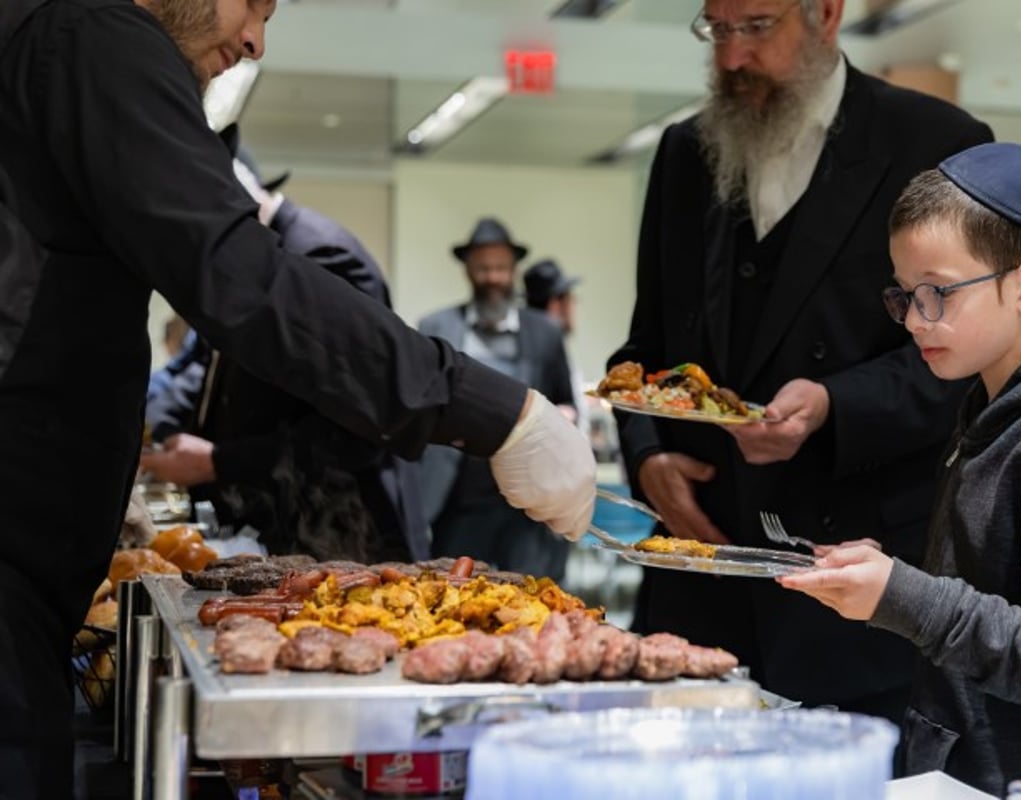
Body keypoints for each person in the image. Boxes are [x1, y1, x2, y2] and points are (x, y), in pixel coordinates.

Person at [0, 2, 593, 796]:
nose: (255, 39)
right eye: (256, 2)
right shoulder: (91, 29)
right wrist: (496, 414)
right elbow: (238, 278)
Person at [606, 0, 992, 721]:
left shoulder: (933, 143)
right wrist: (649, 453)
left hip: (853, 598)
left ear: (826, 13)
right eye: (717, 30)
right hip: (702, 589)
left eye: (756, 27)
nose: (730, 59)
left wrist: (834, 403)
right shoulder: (683, 154)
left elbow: (967, 359)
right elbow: (645, 352)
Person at [780, 143, 1021, 794]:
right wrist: (888, 572)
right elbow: (994, 578)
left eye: (937, 293)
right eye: (904, 296)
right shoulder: (994, 407)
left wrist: (902, 595)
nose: (914, 321)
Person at [142, 126, 429, 563]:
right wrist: (168, 429)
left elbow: (358, 428)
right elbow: (206, 362)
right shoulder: (251, 256)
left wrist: (220, 460)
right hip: (281, 523)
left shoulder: (324, 258)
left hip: (348, 533)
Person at [418, 219, 577, 580]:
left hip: (526, 503)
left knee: (529, 597)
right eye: (483, 268)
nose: (493, 277)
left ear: (513, 270)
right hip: (457, 497)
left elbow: (566, 401)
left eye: (500, 268)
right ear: (468, 271)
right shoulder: (436, 327)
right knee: (452, 593)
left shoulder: (545, 332)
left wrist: (565, 417)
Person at [524, 257, 589, 434]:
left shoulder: (533, 346)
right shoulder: (537, 354)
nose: (574, 306)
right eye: (571, 299)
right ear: (555, 304)